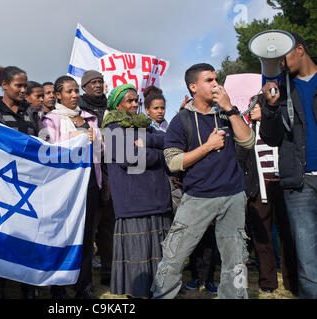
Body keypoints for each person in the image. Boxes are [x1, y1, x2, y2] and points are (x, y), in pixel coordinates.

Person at [151, 63, 255, 299]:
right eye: (209, 80)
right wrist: (207, 146)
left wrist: (229, 108)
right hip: (198, 197)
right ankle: (161, 294)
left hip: (233, 196)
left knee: (236, 258)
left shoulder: (227, 113)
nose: (216, 84)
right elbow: (174, 162)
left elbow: (248, 142)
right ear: (193, 87)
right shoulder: (181, 120)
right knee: (174, 255)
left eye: (216, 79)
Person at [260, 32, 317, 299]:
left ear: (300, 50)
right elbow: (270, 137)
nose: (279, 63)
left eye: (282, 55)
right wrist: (271, 108)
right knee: (307, 261)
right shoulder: (280, 89)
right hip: (299, 184)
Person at [102, 84, 173, 299]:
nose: (135, 105)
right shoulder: (113, 128)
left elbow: (167, 140)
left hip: (157, 199)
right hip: (135, 202)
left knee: (160, 254)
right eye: (129, 101)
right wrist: (161, 155)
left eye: (136, 101)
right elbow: (130, 158)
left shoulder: (145, 126)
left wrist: (148, 143)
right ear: (117, 105)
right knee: (139, 255)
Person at [0, 65, 41, 299]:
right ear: (4, 85)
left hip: (30, 180)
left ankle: (28, 288)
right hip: (3, 181)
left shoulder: (30, 110)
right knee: (3, 236)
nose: (22, 89)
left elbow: (40, 139)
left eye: (25, 85)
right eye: (18, 85)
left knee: (29, 235)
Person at [43, 75, 102, 299]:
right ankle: (58, 287)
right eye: (69, 92)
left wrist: (94, 139)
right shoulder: (50, 120)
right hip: (64, 186)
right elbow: (50, 150)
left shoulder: (90, 118)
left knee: (87, 237)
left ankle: (83, 286)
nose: (74, 95)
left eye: (76, 91)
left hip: (88, 184)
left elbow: (101, 149)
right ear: (58, 95)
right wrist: (74, 137)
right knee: (63, 235)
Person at [236, 93, 298, 295]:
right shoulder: (247, 132)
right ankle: (267, 282)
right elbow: (242, 161)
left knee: (288, 235)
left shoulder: (280, 127)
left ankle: (292, 281)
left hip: (282, 187)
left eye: (255, 106)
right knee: (262, 239)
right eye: (250, 106)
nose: (251, 109)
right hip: (258, 190)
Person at [78, 70, 114, 286]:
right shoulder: (78, 109)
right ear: (84, 87)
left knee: (109, 225)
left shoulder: (111, 106)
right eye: (93, 82)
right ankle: (84, 278)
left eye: (100, 81)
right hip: (89, 172)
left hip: (111, 170)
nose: (98, 85)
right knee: (88, 228)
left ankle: (108, 272)